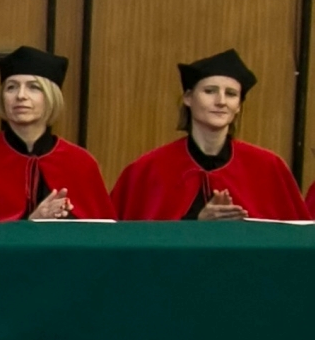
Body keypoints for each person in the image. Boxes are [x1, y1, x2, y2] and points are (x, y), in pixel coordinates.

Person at [111, 49, 306, 221]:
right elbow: (127, 240)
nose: (221, 101)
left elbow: (296, 238)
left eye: (231, 94)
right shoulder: (148, 169)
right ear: (188, 98)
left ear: (238, 106)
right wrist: (196, 224)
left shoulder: (268, 167)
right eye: (210, 91)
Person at [0, 47, 112, 221]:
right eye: (11, 87)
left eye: (34, 87)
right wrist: (31, 223)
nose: (21, 96)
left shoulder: (80, 163)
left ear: (51, 96)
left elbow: (102, 234)